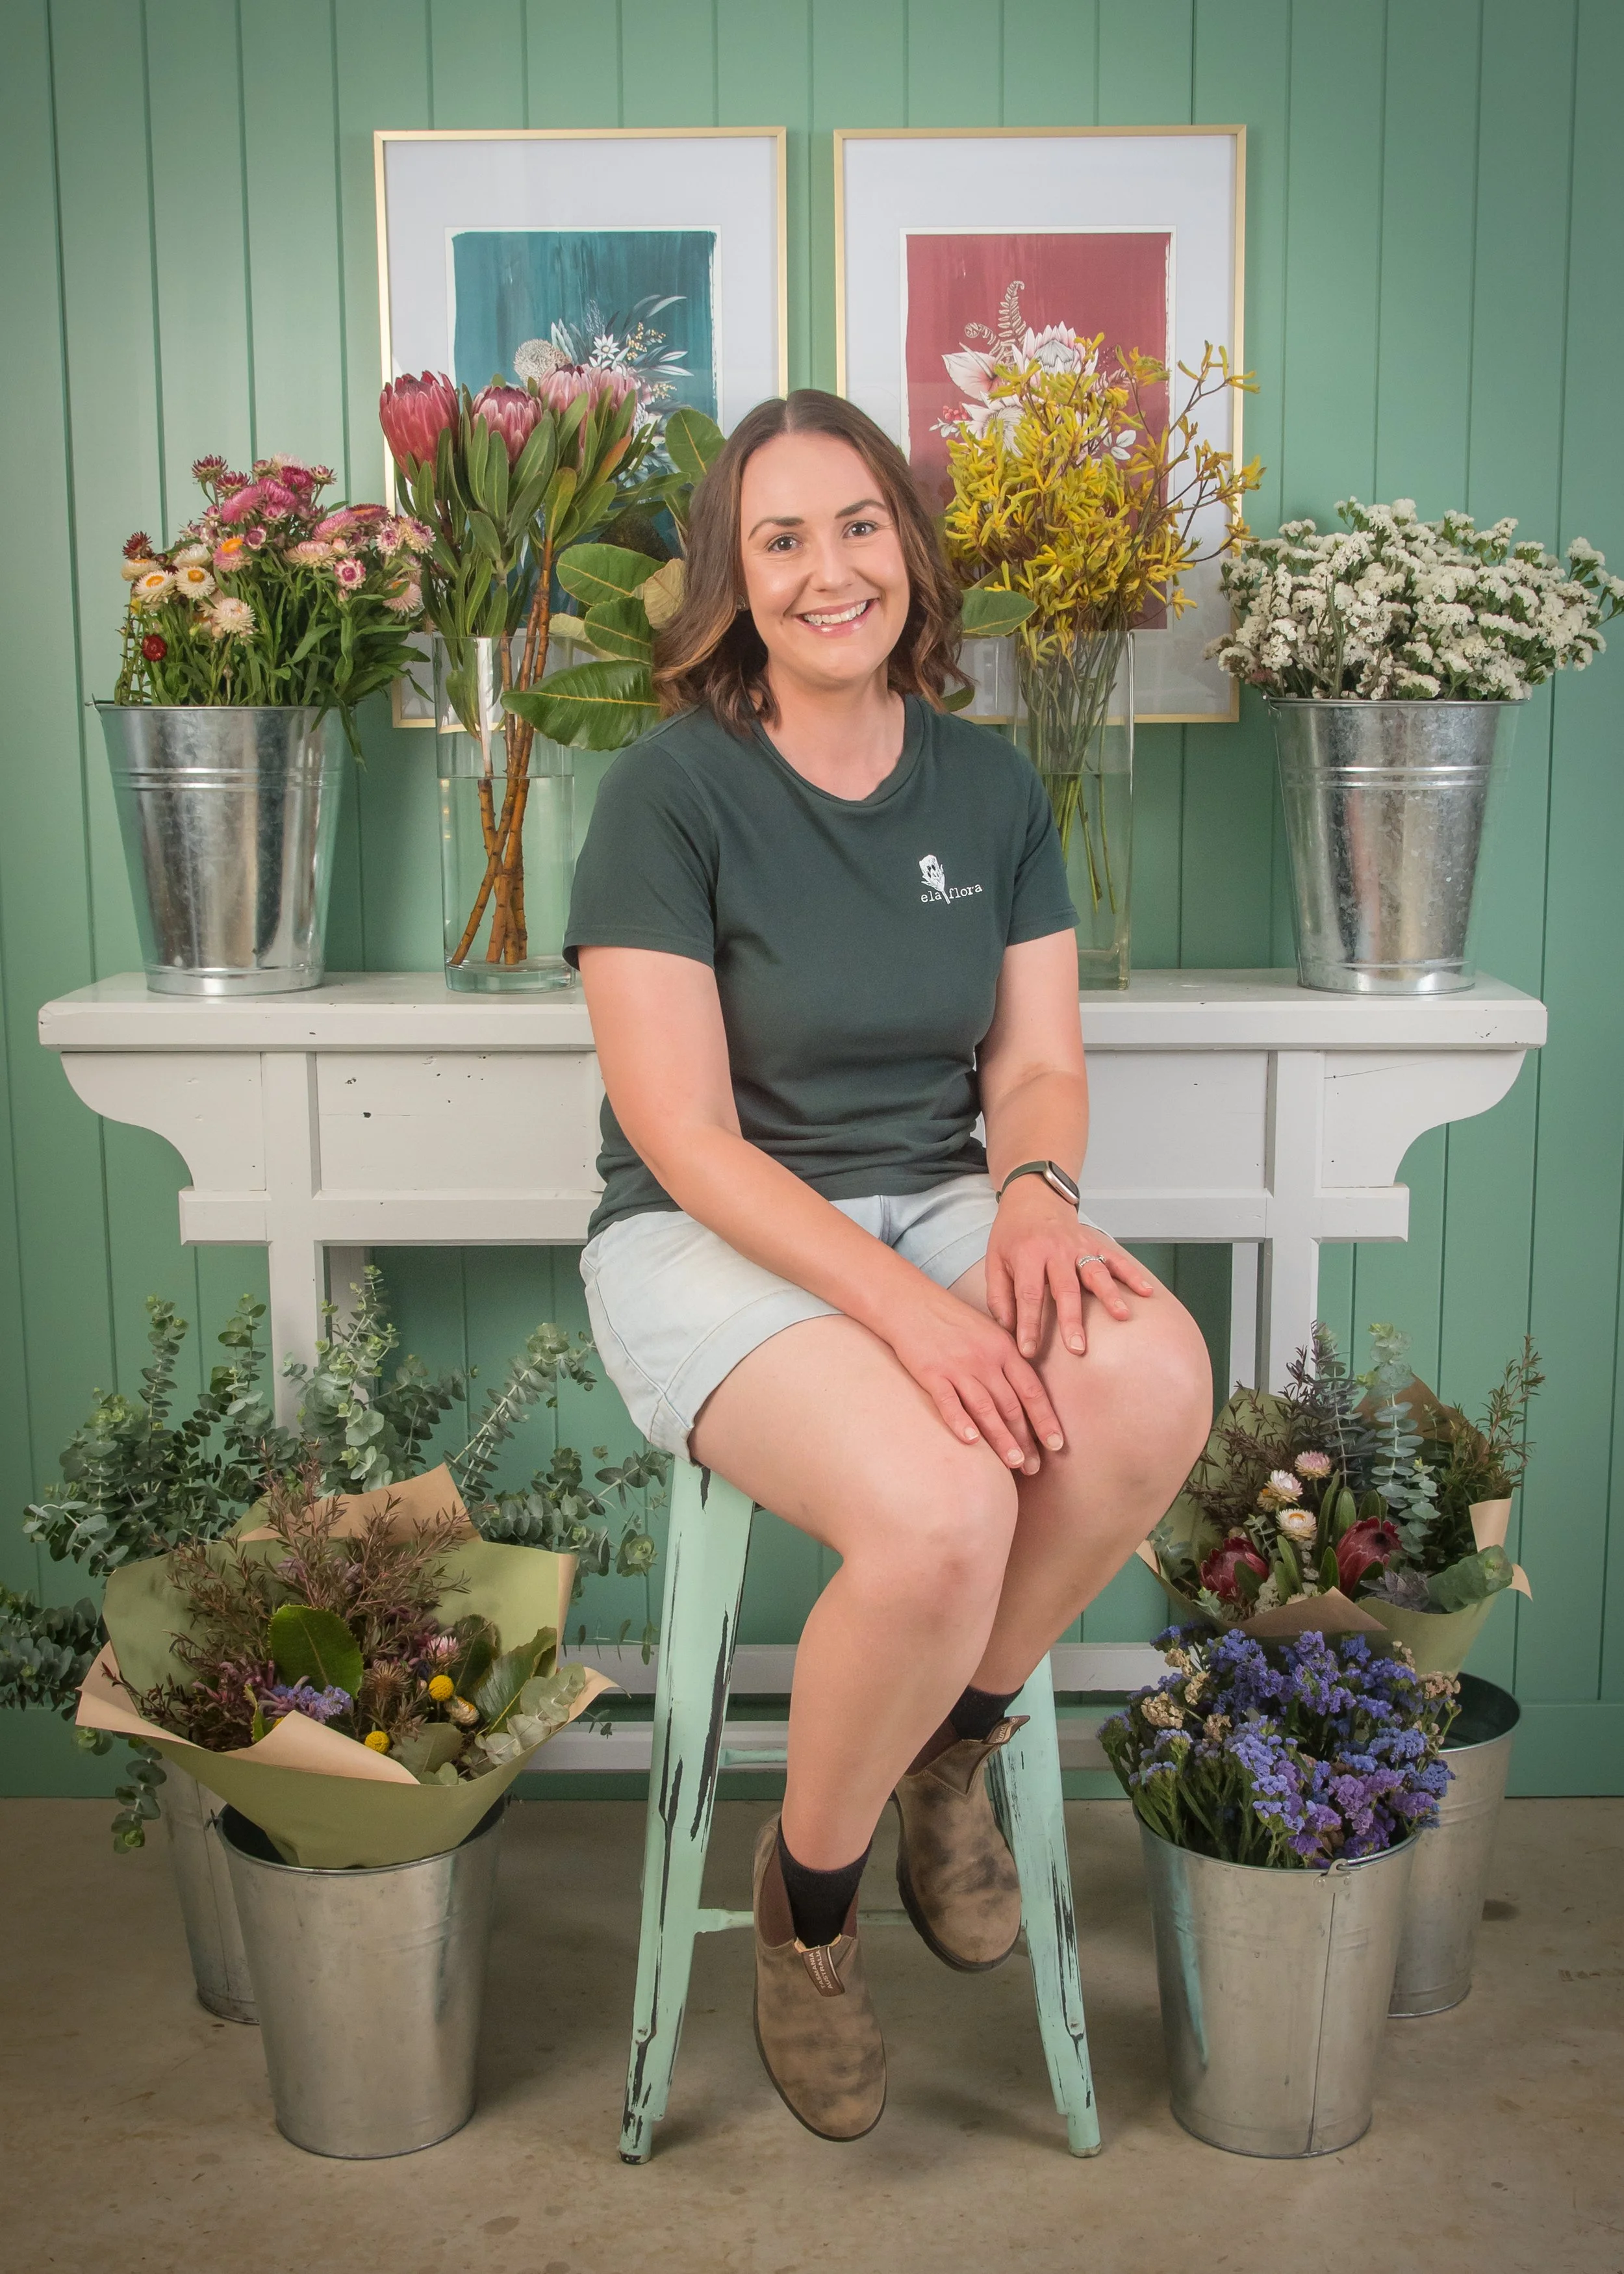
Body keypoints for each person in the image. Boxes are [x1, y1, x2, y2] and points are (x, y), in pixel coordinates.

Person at [565, 389, 1212, 2141]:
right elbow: (688, 1135)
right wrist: (915, 1317)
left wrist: (1031, 1197)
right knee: (940, 1507)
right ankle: (813, 1897)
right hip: (709, 1230)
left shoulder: (989, 783)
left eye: (855, 524)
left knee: (1152, 1375)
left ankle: (954, 1733)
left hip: (942, 1197)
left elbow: (1032, 1061)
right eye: (778, 539)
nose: (824, 568)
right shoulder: (669, 791)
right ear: (730, 581)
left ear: (906, 558)